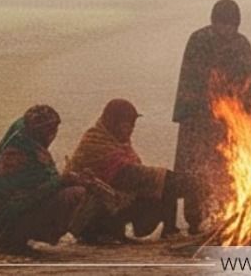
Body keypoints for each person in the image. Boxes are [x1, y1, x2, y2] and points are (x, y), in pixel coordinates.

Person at [173, 0, 251, 234]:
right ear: (214, 22)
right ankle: (194, 219)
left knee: (228, 169)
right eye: (222, 24)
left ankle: (228, 215)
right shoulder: (199, 41)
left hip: (231, 123)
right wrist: (201, 111)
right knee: (196, 170)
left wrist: (249, 122)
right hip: (198, 121)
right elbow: (190, 81)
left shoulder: (241, 45)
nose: (226, 30)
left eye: (231, 25)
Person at [0, 104, 89, 254]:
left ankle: (17, 240)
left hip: (12, 220)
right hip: (7, 226)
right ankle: (12, 242)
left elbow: (41, 184)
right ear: (39, 131)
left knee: (74, 190)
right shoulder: (18, 155)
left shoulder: (29, 147)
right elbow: (24, 198)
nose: (53, 136)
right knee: (74, 194)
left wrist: (66, 180)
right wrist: (61, 181)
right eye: (50, 131)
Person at [66, 99, 184, 243]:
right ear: (113, 123)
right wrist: (167, 178)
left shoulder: (120, 144)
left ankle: (169, 230)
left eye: (132, 126)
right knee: (164, 183)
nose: (130, 130)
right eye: (127, 126)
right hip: (88, 213)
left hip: (112, 201)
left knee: (163, 186)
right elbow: (124, 173)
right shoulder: (95, 143)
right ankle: (101, 234)